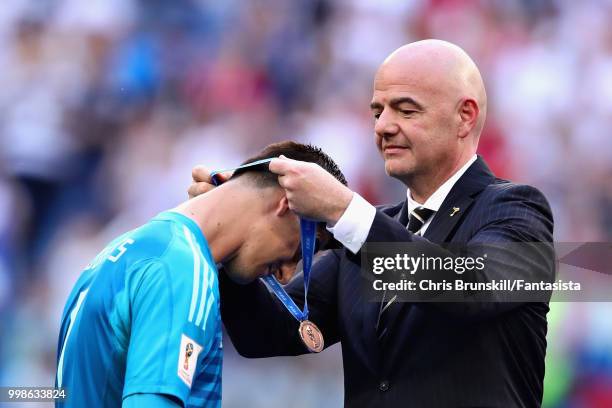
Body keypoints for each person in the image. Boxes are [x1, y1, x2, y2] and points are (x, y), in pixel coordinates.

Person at [189, 39, 555, 407]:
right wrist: (229, 236)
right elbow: (268, 334)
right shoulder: (365, 233)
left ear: (465, 116)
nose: (383, 127)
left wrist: (344, 210)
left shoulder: (517, 209)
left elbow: (470, 288)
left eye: (406, 110)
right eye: (377, 112)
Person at [54, 141, 347, 408]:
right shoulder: (183, 270)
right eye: (300, 253)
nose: (285, 275)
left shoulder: (123, 250)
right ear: (288, 205)